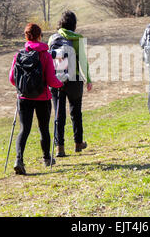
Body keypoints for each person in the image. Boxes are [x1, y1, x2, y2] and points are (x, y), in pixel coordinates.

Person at [9, 23, 64, 175]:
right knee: (43, 128)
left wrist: (23, 87)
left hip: (23, 97)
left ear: (26, 37)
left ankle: (19, 159)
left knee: (23, 129)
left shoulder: (19, 54)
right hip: (42, 97)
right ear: (40, 36)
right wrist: (60, 83)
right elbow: (51, 80)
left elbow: (12, 79)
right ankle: (47, 158)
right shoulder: (45, 55)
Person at [49, 11, 93, 158]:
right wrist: (88, 79)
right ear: (74, 24)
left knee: (59, 114)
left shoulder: (52, 38)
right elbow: (83, 61)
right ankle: (78, 143)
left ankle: (59, 148)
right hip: (73, 79)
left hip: (56, 81)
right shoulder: (76, 39)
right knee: (76, 112)